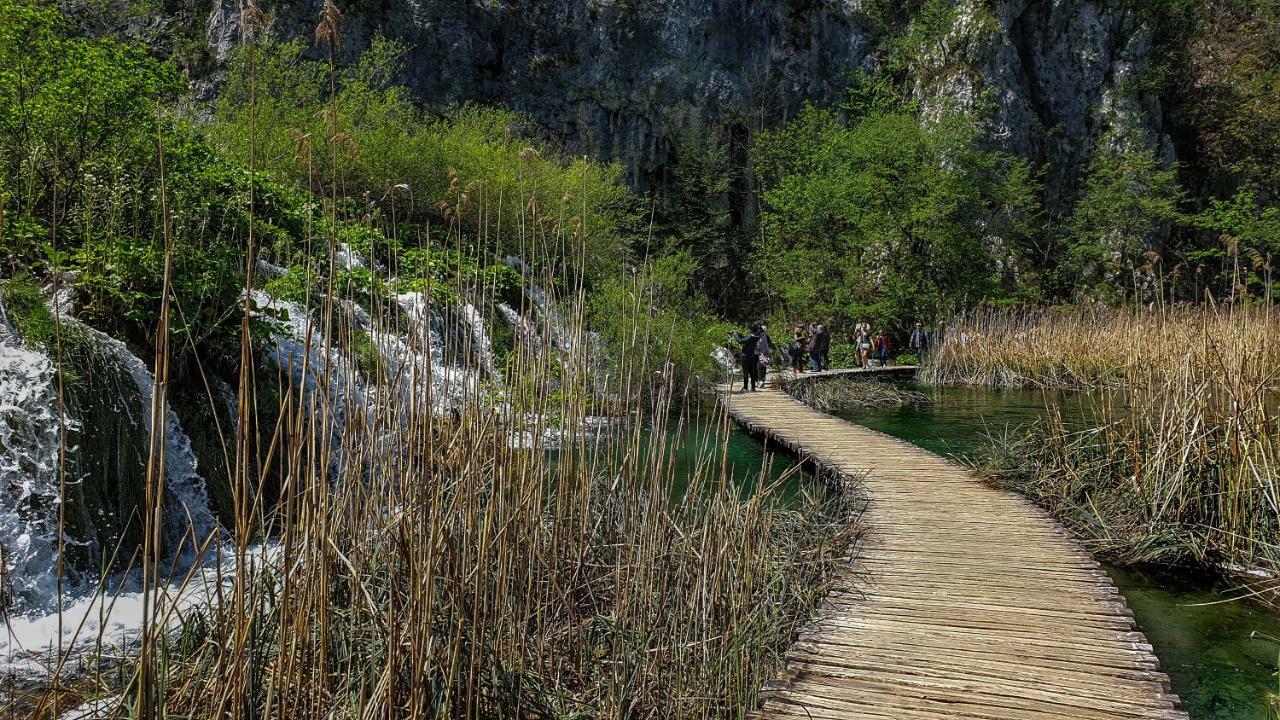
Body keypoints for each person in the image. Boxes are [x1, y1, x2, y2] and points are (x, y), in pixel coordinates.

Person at [732, 324, 762, 392]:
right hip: (752, 356)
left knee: (745, 372)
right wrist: (740, 335)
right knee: (752, 372)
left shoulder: (750, 337)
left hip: (745, 356)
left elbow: (740, 341)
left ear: (751, 330)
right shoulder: (756, 337)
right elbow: (745, 339)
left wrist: (735, 335)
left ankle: (745, 388)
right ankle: (753, 387)